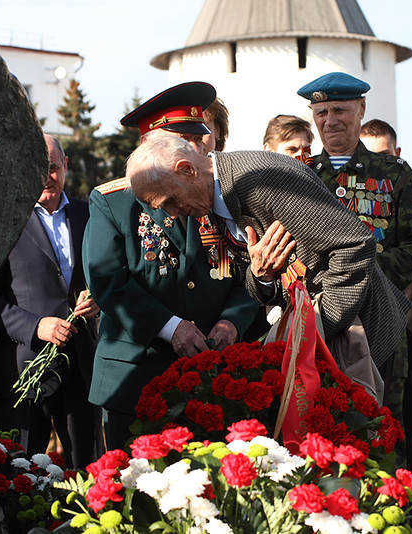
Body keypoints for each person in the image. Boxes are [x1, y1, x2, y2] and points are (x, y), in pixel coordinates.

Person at [125, 134, 411, 387]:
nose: (173, 214)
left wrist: (318, 327)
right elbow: (256, 276)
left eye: (170, 201)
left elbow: (355, 243)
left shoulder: (260, 180)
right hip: (321, 341)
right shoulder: (212, 197)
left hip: (362, 338)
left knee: (373, 443)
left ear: (186, 170)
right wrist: (261, 275)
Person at [83, 82, 259, 451]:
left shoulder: (222, 198)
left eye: (199, 137)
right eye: (182, 138)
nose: (196, 148)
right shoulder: (114, 202)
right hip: (136, 378)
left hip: (213, 378)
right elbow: (108, 283)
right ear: (150, 142)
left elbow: (249, 272)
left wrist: (232, 321)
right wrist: (171, 327)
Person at [298, 72, 412, 467]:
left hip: (381, 323)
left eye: (340, 109)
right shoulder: (301, 175)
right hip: (322, 325)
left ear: (361, 110)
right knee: (321, 432)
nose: (330, 120)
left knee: (386, 430)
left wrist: (370, 274)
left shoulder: (392, 174)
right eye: (321, 112)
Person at [0, 135, 102, 469]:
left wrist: (99, 298)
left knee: (88, 470)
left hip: (81, 366)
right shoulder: (3, 221)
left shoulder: (89, 215)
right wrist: (36, 326)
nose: (46, 176)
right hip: (24, 370)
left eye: (51, 167)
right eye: (37, 167)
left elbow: (109, 273)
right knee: (21, 473)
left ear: (65, 166)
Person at [359, 118, 412, 477]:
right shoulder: (347, 202)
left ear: (397, 155)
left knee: (409, 424)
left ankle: (410, 507)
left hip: (411, 331)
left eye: (382, 155)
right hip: (358, 330)